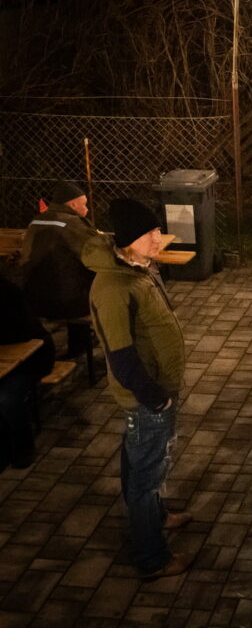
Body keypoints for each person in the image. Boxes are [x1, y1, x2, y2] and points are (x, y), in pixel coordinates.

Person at [83, 199, 192, 580]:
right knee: (145, 476)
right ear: (129, 240)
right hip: (148, 396)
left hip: (157, 388)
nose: (159, 238)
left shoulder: (136, 269)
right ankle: (152, 557)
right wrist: (155, 397)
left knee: (144, 460)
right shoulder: (114, 287)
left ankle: (159, 517)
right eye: (151, 233)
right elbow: (122, 355)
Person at [19, 180, 100, 357]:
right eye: (84, 205)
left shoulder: (36, 221)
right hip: (67, 304)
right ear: (72, 204)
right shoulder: (73, 224)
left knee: (66, 278)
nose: (87, 210)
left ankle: (77, 344)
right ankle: (91, 344)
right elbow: (98, 256)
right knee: (101, 282)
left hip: (33, 300)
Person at [0, 275, 55, 471]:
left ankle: (23, 444)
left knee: (7, 397)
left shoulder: (8, 291)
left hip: (33, 357)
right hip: (7, 361)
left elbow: (22, 332)